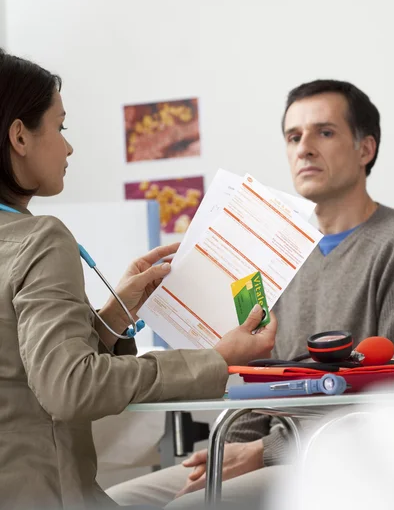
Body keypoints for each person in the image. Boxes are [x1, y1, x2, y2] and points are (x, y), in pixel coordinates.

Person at [0, 48, 278, 510]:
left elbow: (20, 366)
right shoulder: (40, 238)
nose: (69, 147)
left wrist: (112, 315)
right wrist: (215, 359)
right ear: (19, 137)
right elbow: (70, 387)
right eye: (60, 126)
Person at [107, 79, 394, 509]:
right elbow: (255, 371)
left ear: (365, 149)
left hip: (341, 459)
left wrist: (262, 452)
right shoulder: (276, 252)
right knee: (113, 501)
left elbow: (390, 399)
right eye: (293, 136)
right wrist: (229, 450)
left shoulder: (393, 244)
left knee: (186, 508)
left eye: (325, 132)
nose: (304, 148)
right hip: (263, 447)